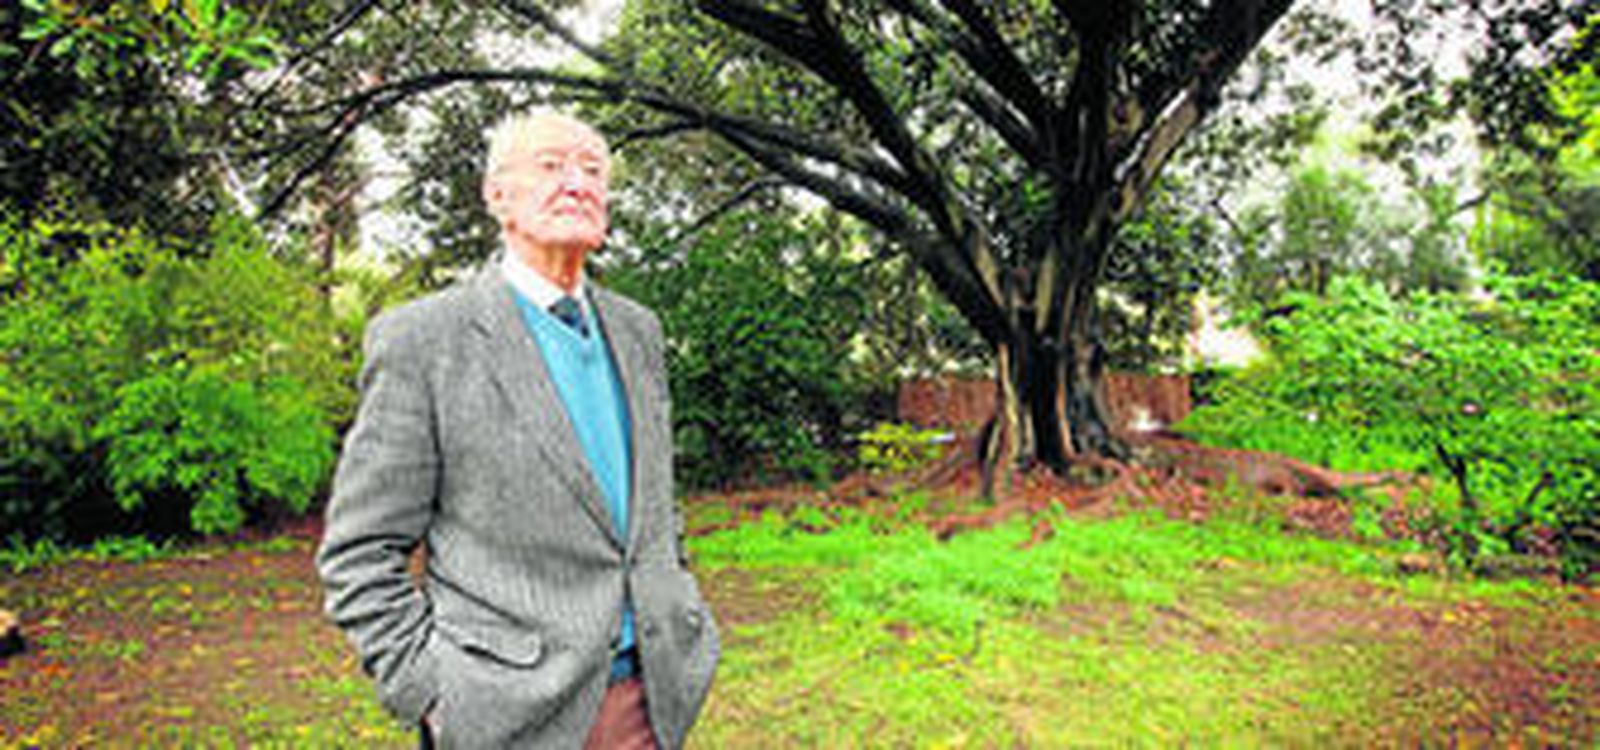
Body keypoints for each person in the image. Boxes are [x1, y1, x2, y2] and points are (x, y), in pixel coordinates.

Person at [316, 110, 719, 749]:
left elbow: (653, 508)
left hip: (650, 702)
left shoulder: (638, 331)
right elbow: (359, 550)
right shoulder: (424, 340)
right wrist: (430, 694)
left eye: (593, 171)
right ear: (497, 195)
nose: (577, 183)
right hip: (501, 716)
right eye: (551, 165)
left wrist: (680, 600)